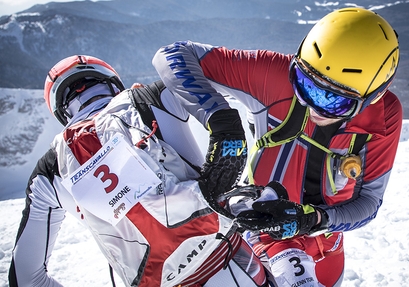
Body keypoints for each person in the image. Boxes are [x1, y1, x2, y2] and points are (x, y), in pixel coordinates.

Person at [152, 7, 402, 287]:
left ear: (374, 96)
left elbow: (368, 201)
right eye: (305, 84)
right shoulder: (274, 74)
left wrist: (314, 220)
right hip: (262, 232)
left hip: (326, 247)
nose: (311, 104)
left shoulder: (385, 114)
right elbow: (172, 55)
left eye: (334, 102)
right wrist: (222, 121)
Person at [8, 55, 271, 287]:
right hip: (230, 263)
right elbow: (248, 83)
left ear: (62, 111)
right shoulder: (151, 98)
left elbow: (26, 279)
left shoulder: (49, 172)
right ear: (112, 83)